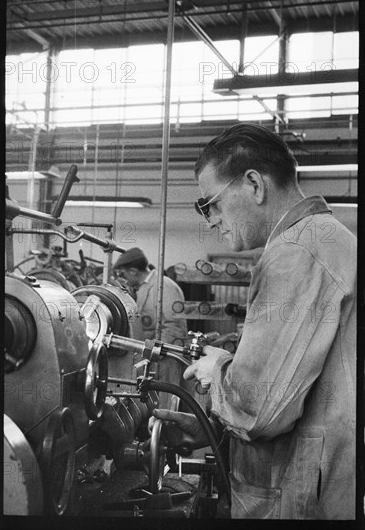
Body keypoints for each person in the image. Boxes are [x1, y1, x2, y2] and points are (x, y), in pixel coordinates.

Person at [151, 123, 356, 519]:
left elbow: (262, 409)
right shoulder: (325, 240)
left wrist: (218, 370)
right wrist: (213, 428)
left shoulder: (297, 252)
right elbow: (298, 393)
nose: (210, 220)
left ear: (254, 185)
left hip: (300, 501)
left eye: (210, 203)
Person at [113, 247, 189, 407]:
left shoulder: (164, 287)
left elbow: (174, 328)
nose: (123, 279)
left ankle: (166, 431)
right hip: (152, 358)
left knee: (167, 407)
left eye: (123, 274)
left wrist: (153, 352)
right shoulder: (144, 288)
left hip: (167, 358)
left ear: (133, 271)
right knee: (154, 406)